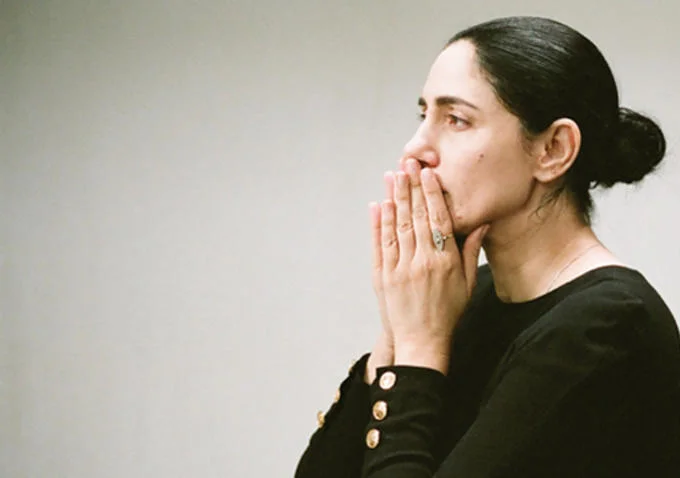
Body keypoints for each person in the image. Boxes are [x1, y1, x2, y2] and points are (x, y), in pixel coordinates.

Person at [294, 16, 680, 478]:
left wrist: (419, 348)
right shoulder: (466, 295)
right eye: (423, 116)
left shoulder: (606, 327)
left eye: (456, 120)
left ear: (553, 149)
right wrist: (396, 333)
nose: (415, 149)